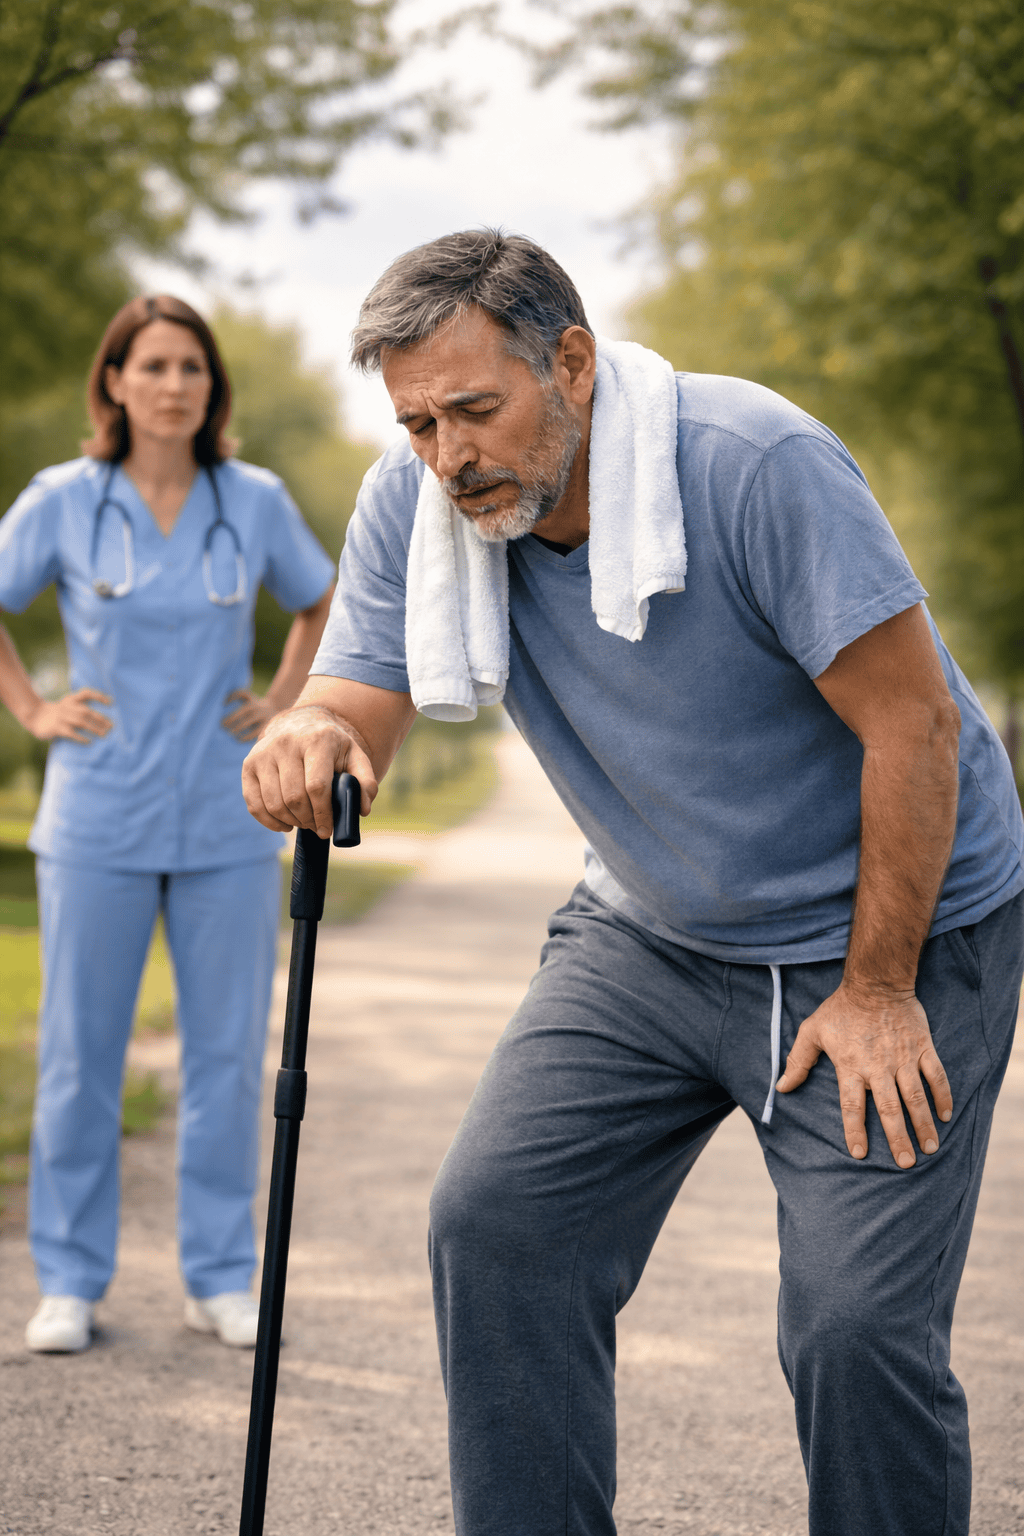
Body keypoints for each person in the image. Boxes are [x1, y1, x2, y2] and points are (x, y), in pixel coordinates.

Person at [240, 231, 1024, 1536]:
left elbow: (917, 727)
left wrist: (882, 988)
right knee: (498, 1235)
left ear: (576, 363)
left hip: (892, 935)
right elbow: (353, 717)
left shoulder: (751, 467)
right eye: (420, 421)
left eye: (475, 411)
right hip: (650, 932)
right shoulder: (420, 502)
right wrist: (310, 739)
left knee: (854, 1331)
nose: (449, 456)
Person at [0, 295, 336, 1355]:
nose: (174, 384)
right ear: (114, 382)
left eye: (192, 366)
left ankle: (221, 1277)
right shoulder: (64, 498)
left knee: (228, 1059)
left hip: (228, 816)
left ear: (211, 387)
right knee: (78, 1057)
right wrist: (32, 709)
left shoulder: (254, 499)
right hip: (96, 814)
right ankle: (70, 1281)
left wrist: (285, 699)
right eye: (152, 365)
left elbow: (324, 602)